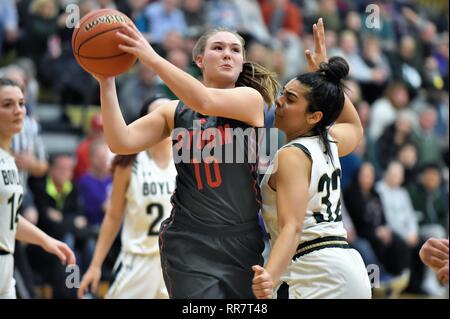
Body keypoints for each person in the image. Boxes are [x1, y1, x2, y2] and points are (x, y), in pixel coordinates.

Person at [88, 22, 279, 298]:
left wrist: (151, 57)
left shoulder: (251, 100)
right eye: (218, 47)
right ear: (199, 60)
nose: (228, 54)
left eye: (235, 50)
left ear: (242, 62)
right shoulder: (173, 113)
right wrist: (107, 82)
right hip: (190, 242)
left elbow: (205, 101)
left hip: (242, 242)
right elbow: (121, 141)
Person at [251, 19, 371, 299]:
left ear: (314, 116)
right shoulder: (328, 142)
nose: (280, 101)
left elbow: (292, 228)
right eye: (283, 94)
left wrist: (269, 275)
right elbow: (355, 127)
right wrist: (325, 75)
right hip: (345, 267)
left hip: (316, 269)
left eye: (290, 99)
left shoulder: (291, 154)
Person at [77, 96, 176, 299]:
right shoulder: (129, 163)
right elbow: (113, 216)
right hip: (137, 260)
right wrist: (95, 265)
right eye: (159, 116)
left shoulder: (189, 162)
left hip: (177, 262)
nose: (166, 121)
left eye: (170, 115)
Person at [0, 78, 76, 299]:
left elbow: (8, 217)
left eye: (21, 104)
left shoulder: (10, 160)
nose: (18, 111)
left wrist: (46, 241)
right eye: (7, 105)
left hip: (6, 262)